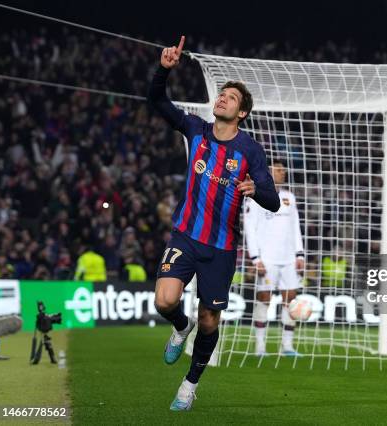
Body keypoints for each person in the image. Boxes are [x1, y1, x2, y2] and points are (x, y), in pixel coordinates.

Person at [148, 36, 280, 411]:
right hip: (186, 236)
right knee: (165, 301)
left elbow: (271, 200)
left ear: (241, 113)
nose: (222, 98)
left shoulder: (251, 151)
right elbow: (156, 101)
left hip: (221, 249)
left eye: (231, 98)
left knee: (209, 321)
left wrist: (257, 190)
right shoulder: (195, 129)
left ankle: (189, 385)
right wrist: (164, 69)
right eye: (221, 94)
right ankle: (178, 326)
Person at [244, 160, 305, 356]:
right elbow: (249, 230)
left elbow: (295, 227)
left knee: (291, 300)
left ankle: (287, 346)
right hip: (267, 259)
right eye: (278, 170)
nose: (283, 172)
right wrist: (255, 258)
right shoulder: (254, 198)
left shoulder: (289, 197)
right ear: (268, 172)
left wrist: (300, 254)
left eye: (283, 169)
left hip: (288, 259)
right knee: (264, 299)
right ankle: (260, 346)